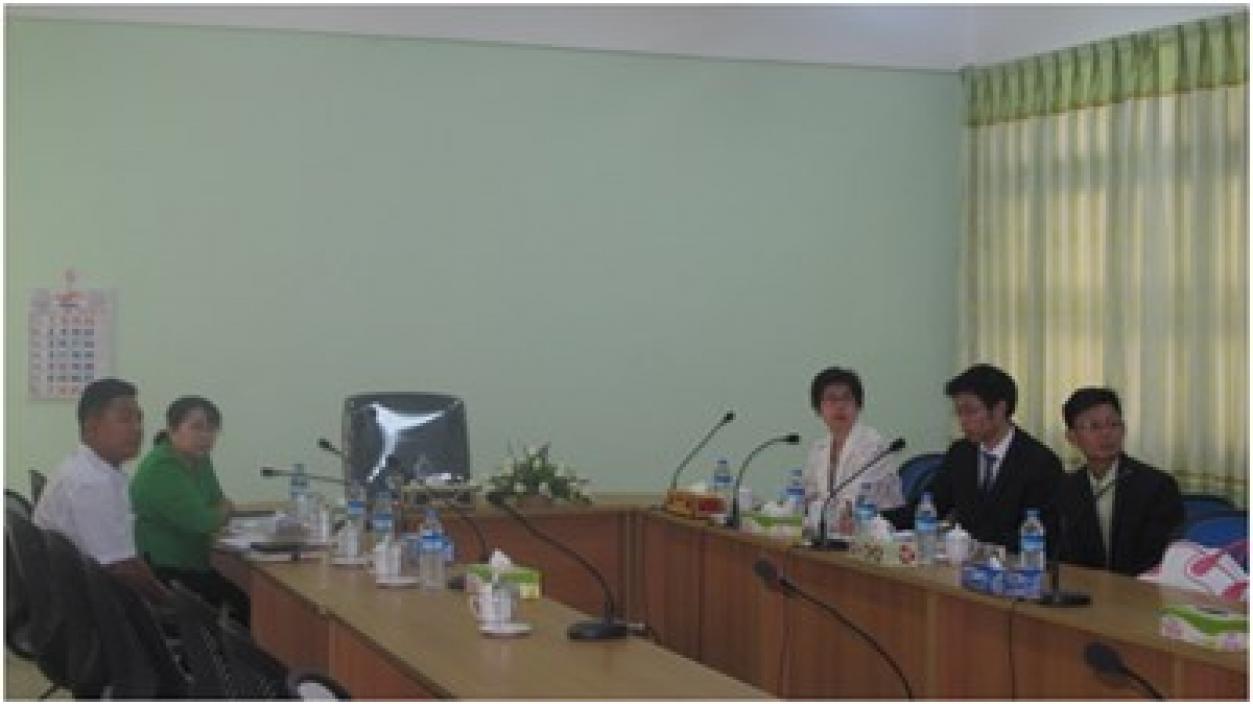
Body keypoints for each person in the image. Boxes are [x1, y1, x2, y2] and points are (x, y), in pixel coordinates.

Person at [888, 363, 1064, 550]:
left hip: (1015, 563)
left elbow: (1043, 537)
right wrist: (877, 518)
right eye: (959, 412)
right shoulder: (960, 454)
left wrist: (974, 545)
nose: (962, 420)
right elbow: (929, 506)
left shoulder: (1040, 463)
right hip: (963, 561)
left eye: (970, 411)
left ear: (999, 409)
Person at [34, 378, 170, 604]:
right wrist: (169, 602)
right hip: (90, 605)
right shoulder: (91, 482)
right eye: (125, 419)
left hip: (80, 594)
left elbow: (125, 557)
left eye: (139, 419)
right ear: (91, 427)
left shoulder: (91, 468)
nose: (137, 428)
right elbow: (119, 567)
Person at [130, 395, 250, 625]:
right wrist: (222, 511)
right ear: (172, 429)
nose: (205, 436)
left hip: (193, 565)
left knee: (244, 602)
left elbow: (216, 501)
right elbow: (202, 521)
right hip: (165, 573)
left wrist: (218, 511)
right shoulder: (163, 468)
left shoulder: (199, 459)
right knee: (242, 608)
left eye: (212, 429)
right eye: (197, 427)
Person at [1053, 387, 1185, 576]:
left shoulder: (1157, 487)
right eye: (1094, 426)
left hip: (1140, 588)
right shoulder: (1067, 489)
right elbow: (1064, 555)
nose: (1106, 433)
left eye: (1113, 424)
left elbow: (1159, 559)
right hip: (1083, 588)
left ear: (1123, 429)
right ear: (1072, 437)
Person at [802, 367, 904, 533]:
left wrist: (817, 514)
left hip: (877, 534)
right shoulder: (819, 448)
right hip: (834, 533)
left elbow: (856, 502)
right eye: (831, 399)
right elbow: (808, 496)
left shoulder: (873, 446)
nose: (840, 406)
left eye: (847, 398)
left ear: (858, 405)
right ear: (818, 408)